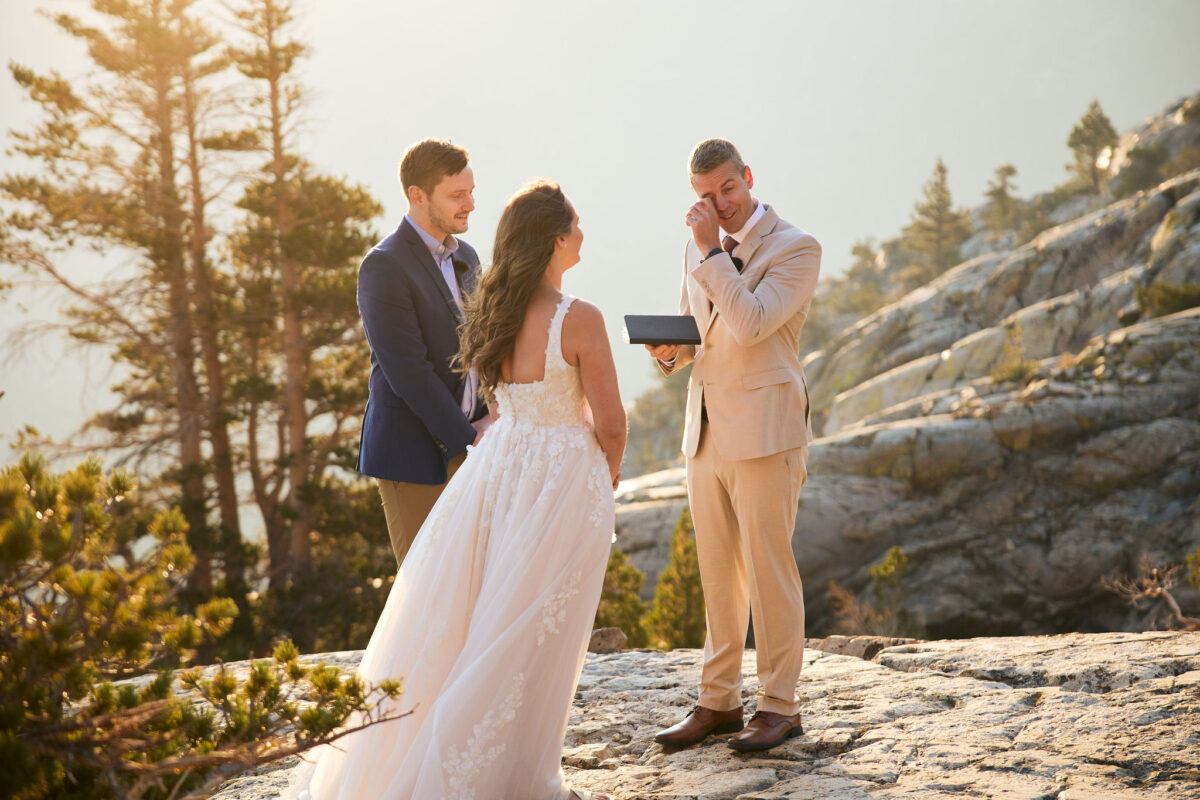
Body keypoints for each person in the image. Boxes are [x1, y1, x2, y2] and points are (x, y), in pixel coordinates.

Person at [284, 180, 625, 800]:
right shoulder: (582, 318)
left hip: (499, 471)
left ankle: (499, 763)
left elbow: (499, 402)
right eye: (576, 225)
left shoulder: (492, 309)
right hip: (559, 480)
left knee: (478, 618)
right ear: (555, 239)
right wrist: (609, 472)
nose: (582, 234)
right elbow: (612, 423)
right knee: (531, 630)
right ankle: (510, 774)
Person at [647, 138, 821, 752]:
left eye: (726, 188)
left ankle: (780, 706)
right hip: (706, 433)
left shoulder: (796, 248)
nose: (717, 203)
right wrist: (670, 352)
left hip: (768, 433)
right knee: (718, 577)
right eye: (704, 195)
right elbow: (699, 333)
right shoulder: (702, 253)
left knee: (771, 573)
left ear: (747, 177)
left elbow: (750, 324)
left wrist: (706, 255)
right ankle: (717, 702)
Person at [356, 138, 493, 567]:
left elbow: (481, 347)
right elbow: (408, 372)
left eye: (471, 191)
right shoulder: (384, 266)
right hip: (416, 457)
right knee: (428, 591)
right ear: (417, 196)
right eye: (456, 195)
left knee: (473, 585)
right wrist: (469, 441)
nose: (469, 203)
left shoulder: (467, 257)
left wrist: (491, 416)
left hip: (474, 442)